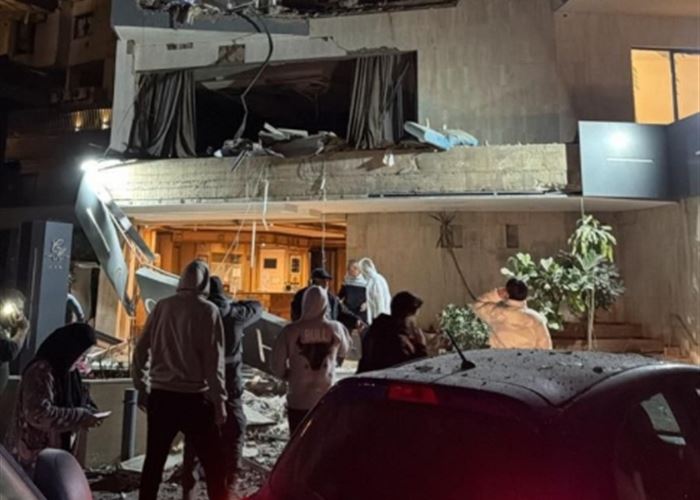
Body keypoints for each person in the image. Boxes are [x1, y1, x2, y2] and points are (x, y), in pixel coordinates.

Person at [131, 260, 228, 500]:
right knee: (215, 464)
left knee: (154, 461)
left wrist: (141, 385)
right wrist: (220, 401)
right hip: (195, 399)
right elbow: (214, 361)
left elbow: (140, 349)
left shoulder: (162, 307)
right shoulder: (208, 311)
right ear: (204, 283)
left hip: (161, 396)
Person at [182, 276, 263, 499]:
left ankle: (190, 484)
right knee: (235, 431)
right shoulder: (234, 315)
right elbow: (257, 307)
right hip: (229, 388)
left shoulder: (195, 316)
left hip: (201, 388)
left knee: (195, 437)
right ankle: (229, 481)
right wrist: (234, 303)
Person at [4, 323, 104, 473]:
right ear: (71, 349)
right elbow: (39, 414)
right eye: (81, 355)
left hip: (55, 459)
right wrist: (80, 416)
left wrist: (91, 412)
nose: (81, 361)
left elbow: (80, 400)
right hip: (31, 459)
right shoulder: (40, 371)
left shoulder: (70, 374)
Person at [272, 286, 349, 435]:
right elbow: (343, 352)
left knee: (298, 441)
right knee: (322, 441)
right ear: (326, 304)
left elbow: (276, 365)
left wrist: (289, 375)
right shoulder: (336, 329)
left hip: (298, 399)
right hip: (325, 399)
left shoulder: (290, 331)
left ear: (304, 303)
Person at [357, 291, 427, 373]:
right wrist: (421, 347)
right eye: (414, 317)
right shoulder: (397, 340)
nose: (415, 322)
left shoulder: (379, 329)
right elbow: (414, 371)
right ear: (406, 316)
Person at [472, 278, 552, 350]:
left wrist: (497, 294)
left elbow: (478, 305)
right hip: (527, 359)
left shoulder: (496, 313)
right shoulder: (536, 319)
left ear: (506, 293)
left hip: (499, 359)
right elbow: (545, 348)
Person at [291, 268, 364, 332]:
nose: (326, 284)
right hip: (307, 333)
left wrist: (356, 320)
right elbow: (296, 313)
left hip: (328, 333)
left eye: (327, 281)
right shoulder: (302, 295)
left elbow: (342, 312)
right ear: (314, 281)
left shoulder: (331, 298)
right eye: (322, 281)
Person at [0, 289, 30, 397]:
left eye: (20, 309)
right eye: (14, 308)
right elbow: (9, 350)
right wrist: (23, 330)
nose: (18, 313)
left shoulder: (5, 328)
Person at [358, 258, 391, 324]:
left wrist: (379, 319)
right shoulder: (378, 278)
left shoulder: (375, 281)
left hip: (379, 314)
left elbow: (379, 300)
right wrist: (367, 304)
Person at [338, 260, 368, 325]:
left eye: (351, 270)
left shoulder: (366, 282)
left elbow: (371, 297)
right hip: (347, 311)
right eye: (348, 270)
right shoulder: (346, 281)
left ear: (358, 270)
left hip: (360, 311)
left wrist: (366, 304)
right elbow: (340, 295)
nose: (349, 272)